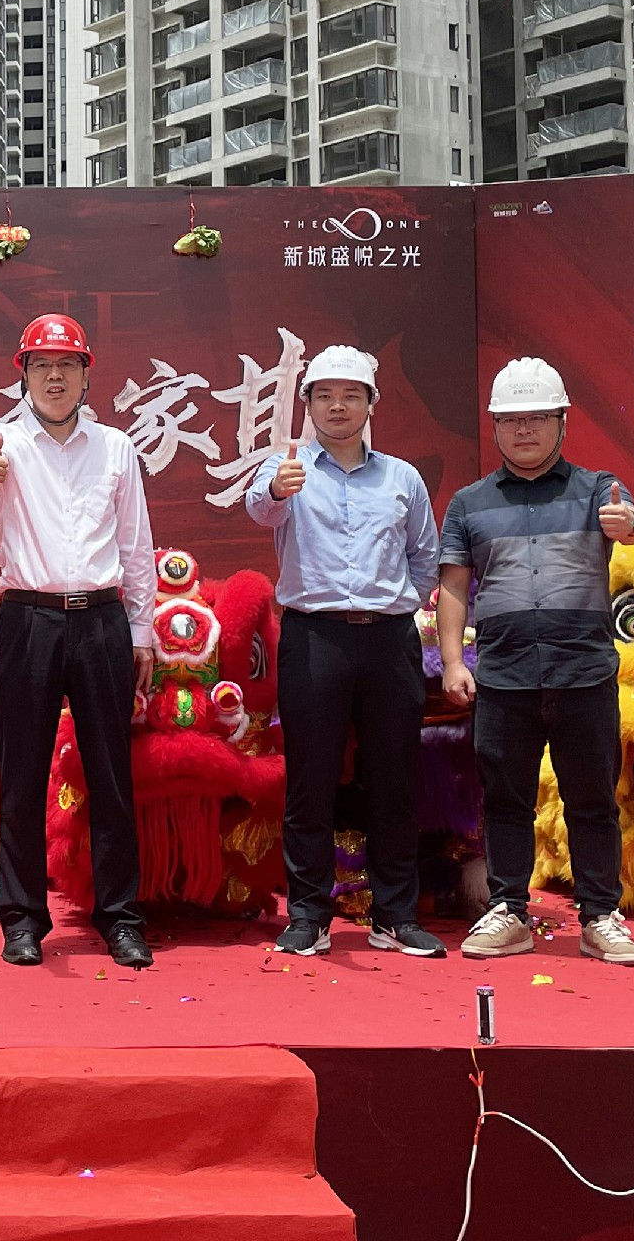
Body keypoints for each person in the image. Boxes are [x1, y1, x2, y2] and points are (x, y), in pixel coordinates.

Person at [0, 314, 158, 970]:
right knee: (21, 776)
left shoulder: (116, 448)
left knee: (111, 776)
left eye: (66, 365)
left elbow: (136, 546)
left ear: (85, 375)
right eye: (41, 365)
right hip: (28, 620)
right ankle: (21, 920)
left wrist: (141, 631)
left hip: (101, 620)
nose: (54, 377)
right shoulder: (3, 439)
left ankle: (120, 917)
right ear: (23, 374)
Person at [437, 357, 634, 967]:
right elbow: (453, 586)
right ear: (495, 428)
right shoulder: (469, 503)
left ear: (562, 422)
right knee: (505, 800)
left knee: (593, 800)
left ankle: (600, 915)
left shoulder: (598, 489)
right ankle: (509, 910)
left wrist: (631, 524)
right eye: (511, 420)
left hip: (584, 673)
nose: (524, 429)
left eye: (537, 418)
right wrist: (452, 662)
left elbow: (631, 523)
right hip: (503, 677)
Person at [244, 344, 444, 959]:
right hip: (315, 637)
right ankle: (309, 915)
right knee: (310, 779)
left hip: (388, 639)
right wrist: (278, 490)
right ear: (307, 405)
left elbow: (425, 556)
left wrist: (396, 604)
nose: (338, 406)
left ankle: (395, 915)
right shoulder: (286, 468)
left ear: (371, 404)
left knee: (394, 778)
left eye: (351, 395)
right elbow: (258, 510)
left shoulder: (402, 477)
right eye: (325, 396)